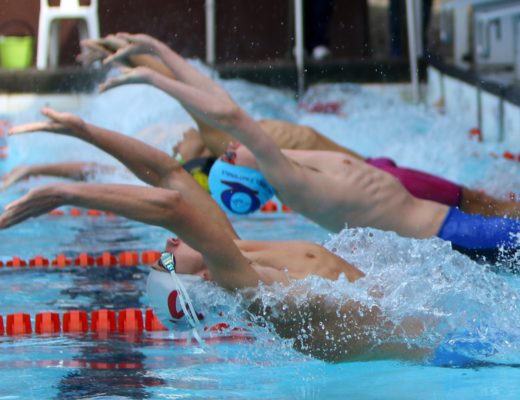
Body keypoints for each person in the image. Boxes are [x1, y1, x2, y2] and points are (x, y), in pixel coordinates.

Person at [1, 107, 427, 363]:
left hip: (423, 325)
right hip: (437, 355)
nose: (168, 244)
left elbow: (169, 175)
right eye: (168, 261)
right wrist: (64, 193)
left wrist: (86, 132)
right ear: (199, 283)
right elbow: (173, 208)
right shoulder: (248, 289)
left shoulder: (239, 257)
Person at [93, 33, 519, 262]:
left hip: (443, 223)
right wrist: (152, 75)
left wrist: (155, 49)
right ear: (247, 174)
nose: (229, 148)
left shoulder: (281, 165)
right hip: (453, 235)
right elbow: (227, 114)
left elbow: (213, 96)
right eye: (229, 157)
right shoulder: (289, 181)